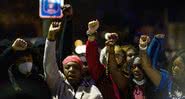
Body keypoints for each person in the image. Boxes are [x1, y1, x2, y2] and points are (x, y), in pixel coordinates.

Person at [43, 21, 103, 99]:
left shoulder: (92, 90)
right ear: (63, 70)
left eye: (76, 67)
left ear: (82, 71)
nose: (71, 70)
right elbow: (49, 64)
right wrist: (51, 37)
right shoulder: (58, 84)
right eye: (67, 67)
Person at [86, 20, 128, 99]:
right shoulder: (101, 73)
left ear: (124, 58)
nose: (113, 56)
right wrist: (91, 34)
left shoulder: (127, 76)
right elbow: (92, 57)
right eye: (111, 54)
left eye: (118, 55)